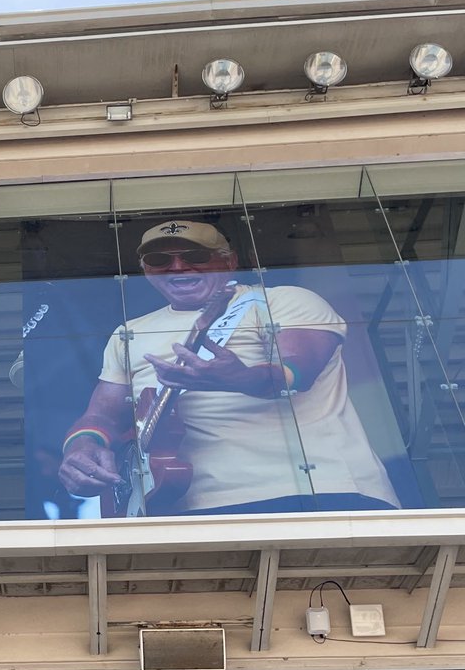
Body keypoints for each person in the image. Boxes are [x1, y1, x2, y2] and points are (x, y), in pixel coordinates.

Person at [57, 219, 399, 515]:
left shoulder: (282, 300)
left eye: (195, 257)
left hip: (315, 490)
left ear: (230, 262)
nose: (177, 267)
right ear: (146, 270)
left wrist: (242, 377)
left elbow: (298, 371)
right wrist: (82, 447)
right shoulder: (128, 333)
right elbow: (101, 415)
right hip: (183, 506)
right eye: (160, 259)